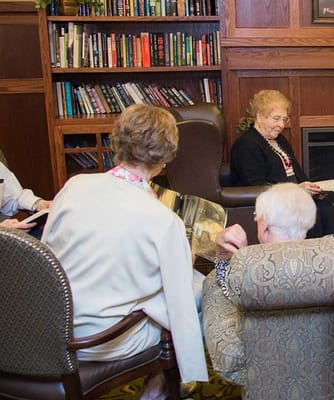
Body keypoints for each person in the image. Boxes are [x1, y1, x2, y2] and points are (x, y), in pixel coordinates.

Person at [40, 104, 208, 397]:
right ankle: (162, 389)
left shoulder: (75, 186)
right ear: (166, 156)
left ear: (117, 141)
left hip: (52, 325)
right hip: (105, 340)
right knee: (203, 291)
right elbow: (178, 298)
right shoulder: (162, 219)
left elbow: (44, 257)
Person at [230, 89, 334, 239]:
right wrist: (296, 191)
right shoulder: (246, 145)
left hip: (295, 197)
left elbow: (297, 173)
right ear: (259, 116)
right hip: (276, 203)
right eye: (276, 118)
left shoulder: (280, 140)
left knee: (326, 207)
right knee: (323, 212)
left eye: (284, 119)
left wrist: (313, 189)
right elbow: (255, 186)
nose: (281, 125)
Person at [212, 182, 317, 298]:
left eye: (256, 215)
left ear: (265, 227)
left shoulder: (246, 276)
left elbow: (221, 287)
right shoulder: (330, 260)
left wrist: (233, 257)